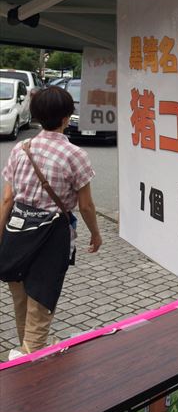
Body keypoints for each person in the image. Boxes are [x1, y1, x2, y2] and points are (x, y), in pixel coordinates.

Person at [0, 86, 102, 359]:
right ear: (66, 118)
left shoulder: (21, 148)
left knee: (21, 302)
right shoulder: (75, 155)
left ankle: (27, 349)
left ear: (35, 116)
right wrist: (96, 234)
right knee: (40, 303)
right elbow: (86, 205)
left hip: (16, 234)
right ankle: (30, 364)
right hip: (51, 237)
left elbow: (7, 199)